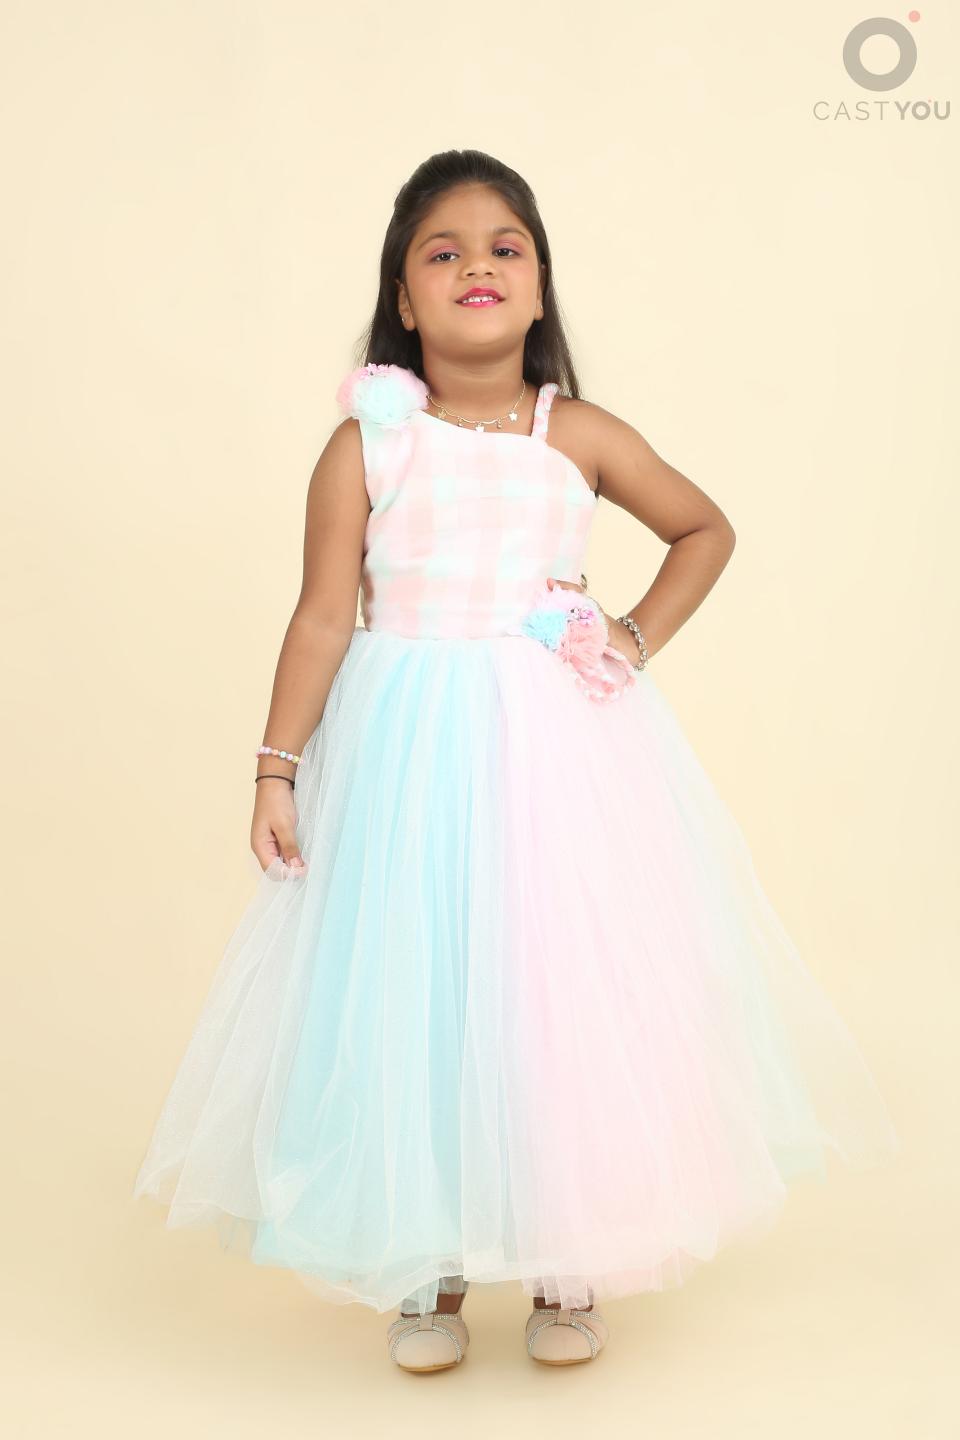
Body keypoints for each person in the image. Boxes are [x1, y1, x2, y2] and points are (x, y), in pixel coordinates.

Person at [132, 148, 899, 1373]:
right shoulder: (368, 445)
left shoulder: (576, 432)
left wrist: (629, 638)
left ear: (540, 288)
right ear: (403, 295)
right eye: (443, 252)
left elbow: (704, 529)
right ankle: (423, 1263)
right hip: (404, 753)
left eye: (505, 248)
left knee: (553, 984)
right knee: (416, 983)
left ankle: (565, 1254)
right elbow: (323, 615)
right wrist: (277, 767)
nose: (476, 266)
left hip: (555, 752)